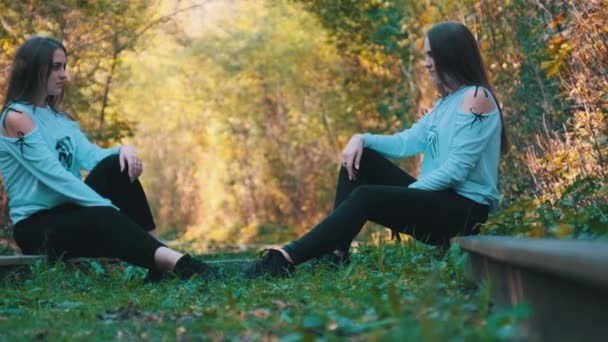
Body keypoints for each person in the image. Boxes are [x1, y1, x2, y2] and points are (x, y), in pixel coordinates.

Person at [245, 21, 508, 278]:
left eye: (431, 55)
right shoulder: (445, 103)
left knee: (367, 197)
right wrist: (361, 138)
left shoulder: (476, 97)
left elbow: (457, 170)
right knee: (362, 160)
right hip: (441, 202)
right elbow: (405, 142)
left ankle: (284, 259)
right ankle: (335, 254)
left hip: (462, 212)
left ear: (450, 55)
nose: (426, 63)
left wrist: (403, 195)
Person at [0, 36, 218, 281]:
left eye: (65, 66)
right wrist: (109, 210)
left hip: (70, 213)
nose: (64, 75)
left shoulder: (60, 119)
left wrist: (124, 150)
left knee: (118, 167)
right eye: (56, 67)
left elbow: (93, 157)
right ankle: (181, 265)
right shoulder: (15, 118)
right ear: (33, 68)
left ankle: (159, 259)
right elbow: (56, 178)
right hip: (37, 227)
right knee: (100, 213)